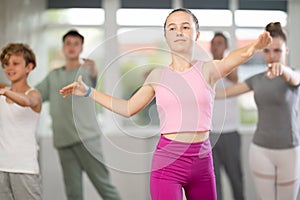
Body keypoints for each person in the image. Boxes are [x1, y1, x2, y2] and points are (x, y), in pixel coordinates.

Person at [59, 8, 271, 200]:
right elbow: (127, 108)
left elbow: (233, 58)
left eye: (185, 27)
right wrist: (89, 91)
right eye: (172, 28)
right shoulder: (158, 75)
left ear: (196, 35)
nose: (179, 31)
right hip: (168, 164)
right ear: (166, 37)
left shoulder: (208, 70)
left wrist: (254, 47)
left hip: (202, 161)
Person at [216, 22, 300, 200]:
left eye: (277, 51)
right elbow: (222, 94)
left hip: (289, 151)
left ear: (286, 51)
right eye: (268, 51)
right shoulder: (256, 80)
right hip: (260, 150)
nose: (272, 56)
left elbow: (293, 77)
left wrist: (282, 69)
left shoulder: (293, 75)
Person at [35, 30, 121, 200]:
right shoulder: (53, 76)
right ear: (63, 48)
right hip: (64, 141)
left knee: (104, 186)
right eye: (68, 43)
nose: (72, 47)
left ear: (81, 47)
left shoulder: (87, 71)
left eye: (76, 44)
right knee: (73, 192)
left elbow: (94, 78)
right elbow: (35, 95)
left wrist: (93, 69)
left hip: (87, 138)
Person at [0, 43, 42, 200]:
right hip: (1, 167)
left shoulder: (34, 94)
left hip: (24, 168)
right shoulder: (3, 91)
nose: (9, 68)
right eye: (6, 64)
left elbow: (27, 101)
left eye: (15, 63)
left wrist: (5, 92)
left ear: (29, 67)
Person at [210, 32, 244, 200]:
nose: (216, 46)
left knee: (235, 178)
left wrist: (222, 61)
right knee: (213, 182)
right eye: (214, 43)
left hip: (230, 133)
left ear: (226, 47)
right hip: (210, 134)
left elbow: (234, 77)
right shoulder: (207, 68)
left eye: (220, 43)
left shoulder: (231, 66)